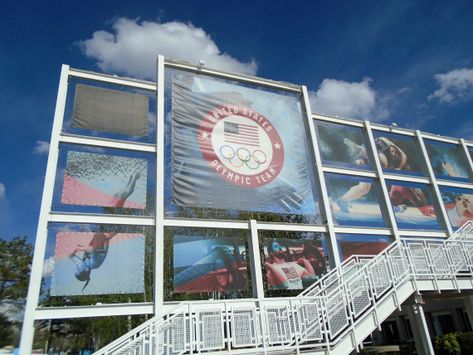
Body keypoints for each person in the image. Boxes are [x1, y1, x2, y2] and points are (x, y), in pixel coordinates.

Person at [69, 169, 141, 290]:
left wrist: (76, 250)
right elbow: (93, 249)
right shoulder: (94, 264)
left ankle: (132, 179)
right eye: (78, 270)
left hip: (103, 229)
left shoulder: (82, 264)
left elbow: (70, 256)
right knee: (119, 198)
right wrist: (80, 248)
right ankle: (134, 178)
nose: (77, 267)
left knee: (117, 197)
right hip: (108, 231)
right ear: (84, 271)